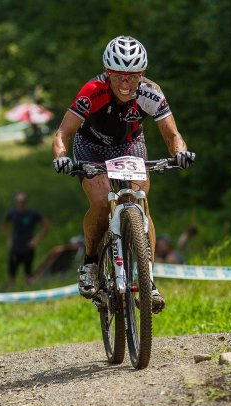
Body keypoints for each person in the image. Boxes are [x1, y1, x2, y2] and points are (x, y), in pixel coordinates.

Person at [51, 35, 196, 313]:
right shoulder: (92, 91)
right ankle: (91, 263)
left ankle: (148, 280)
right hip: (91, 146)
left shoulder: (151, 92)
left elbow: (172, 134)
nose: (126, 83)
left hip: (130, 146)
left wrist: (180, 152)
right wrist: (61, 158)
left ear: (142, 74)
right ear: (108, 73)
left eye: (132, 76)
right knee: (102, 202)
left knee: (140, 201)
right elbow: (63, 133)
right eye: (118, 76)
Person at [2, 192, 50, 285]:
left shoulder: (32, 213)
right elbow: (4, 224)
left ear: (26, 202)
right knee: (12, 268)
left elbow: (46, 225)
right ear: (16, 202)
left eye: (23, 201)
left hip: (28, 245)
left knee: (28, 270)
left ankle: (29, 285)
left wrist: (36, 240)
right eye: (19, 201)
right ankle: (12, 286)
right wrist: (8, 238)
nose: (21, 203)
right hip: (16, 245)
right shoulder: (12, 213)